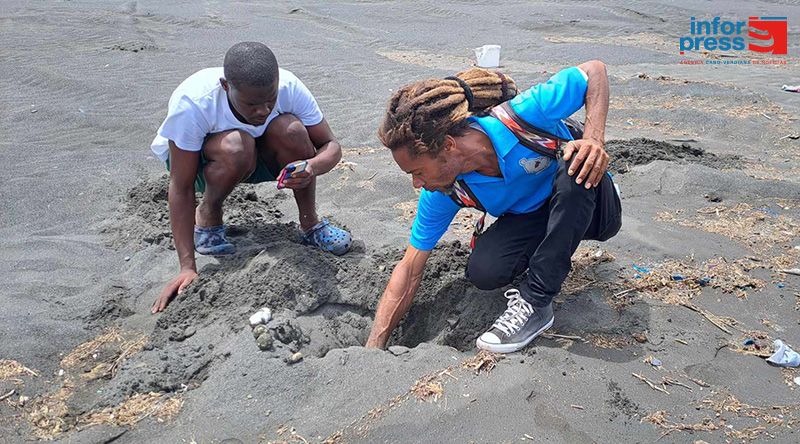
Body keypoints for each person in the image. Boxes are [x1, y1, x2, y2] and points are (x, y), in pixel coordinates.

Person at [365, 61, 621, 353]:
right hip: (535, 217)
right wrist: (375, 345)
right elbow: (410, 268)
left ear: (448, 146)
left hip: (593, 205)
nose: (416, 183)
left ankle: (536, 302)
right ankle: (547, 258)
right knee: (485, 271)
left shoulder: (523, 116)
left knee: (574, 164)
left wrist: (593, 140)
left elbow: (595, 71)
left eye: (418, 171)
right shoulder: (445, 191)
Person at [150, 42, 352, 313]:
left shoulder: (289, 87)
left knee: (291, 130)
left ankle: (310, 225)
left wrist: (311, 166)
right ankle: (209, 213)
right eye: (252, 104)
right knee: (237, 145)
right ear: (225, 87)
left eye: (269, 101)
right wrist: (187, 267)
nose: (263, 111)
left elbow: (331, 146)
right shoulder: (195, 103)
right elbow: (181, 185)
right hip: (203, 164)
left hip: (260, 156)